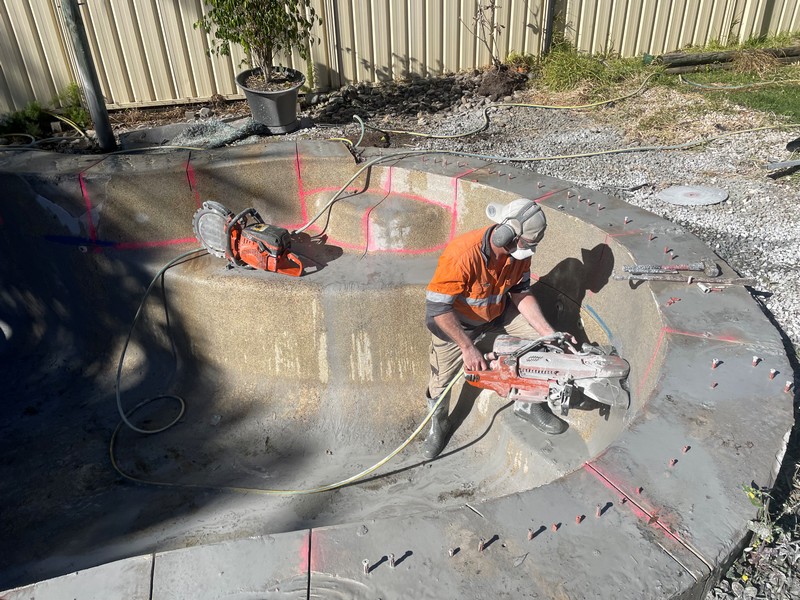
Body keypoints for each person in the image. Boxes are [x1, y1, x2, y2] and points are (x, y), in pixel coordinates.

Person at [422, 198, 567, 460]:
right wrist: (467, 347)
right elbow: (437, 311)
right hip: (456, 326)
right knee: (441, 381)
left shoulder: (518, 255)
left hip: (498, 315)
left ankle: (530, 404)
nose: (530, 251)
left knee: (546, 347)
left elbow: (521, 292)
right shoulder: (462, 255)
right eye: (527, 244)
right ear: (506, 234)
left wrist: (547, 332)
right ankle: (438, 425)